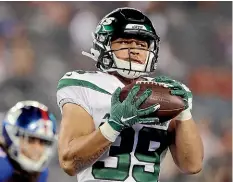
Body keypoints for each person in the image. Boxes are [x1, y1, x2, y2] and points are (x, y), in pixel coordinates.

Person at [57, 7, 203, 182]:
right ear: (104, 44)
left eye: (142, 45)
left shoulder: (166, 93)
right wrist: (114, 125)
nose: (135, 50)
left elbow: (192, 165)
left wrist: (183, 112)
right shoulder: (84, 85)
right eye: (125, 42)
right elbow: (69, 163)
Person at [0, 100, 57, 182]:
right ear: (11, 136)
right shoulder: (3, 168)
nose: (37, 148)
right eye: (31, 140)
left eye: (43, 142)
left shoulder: (40, 174)